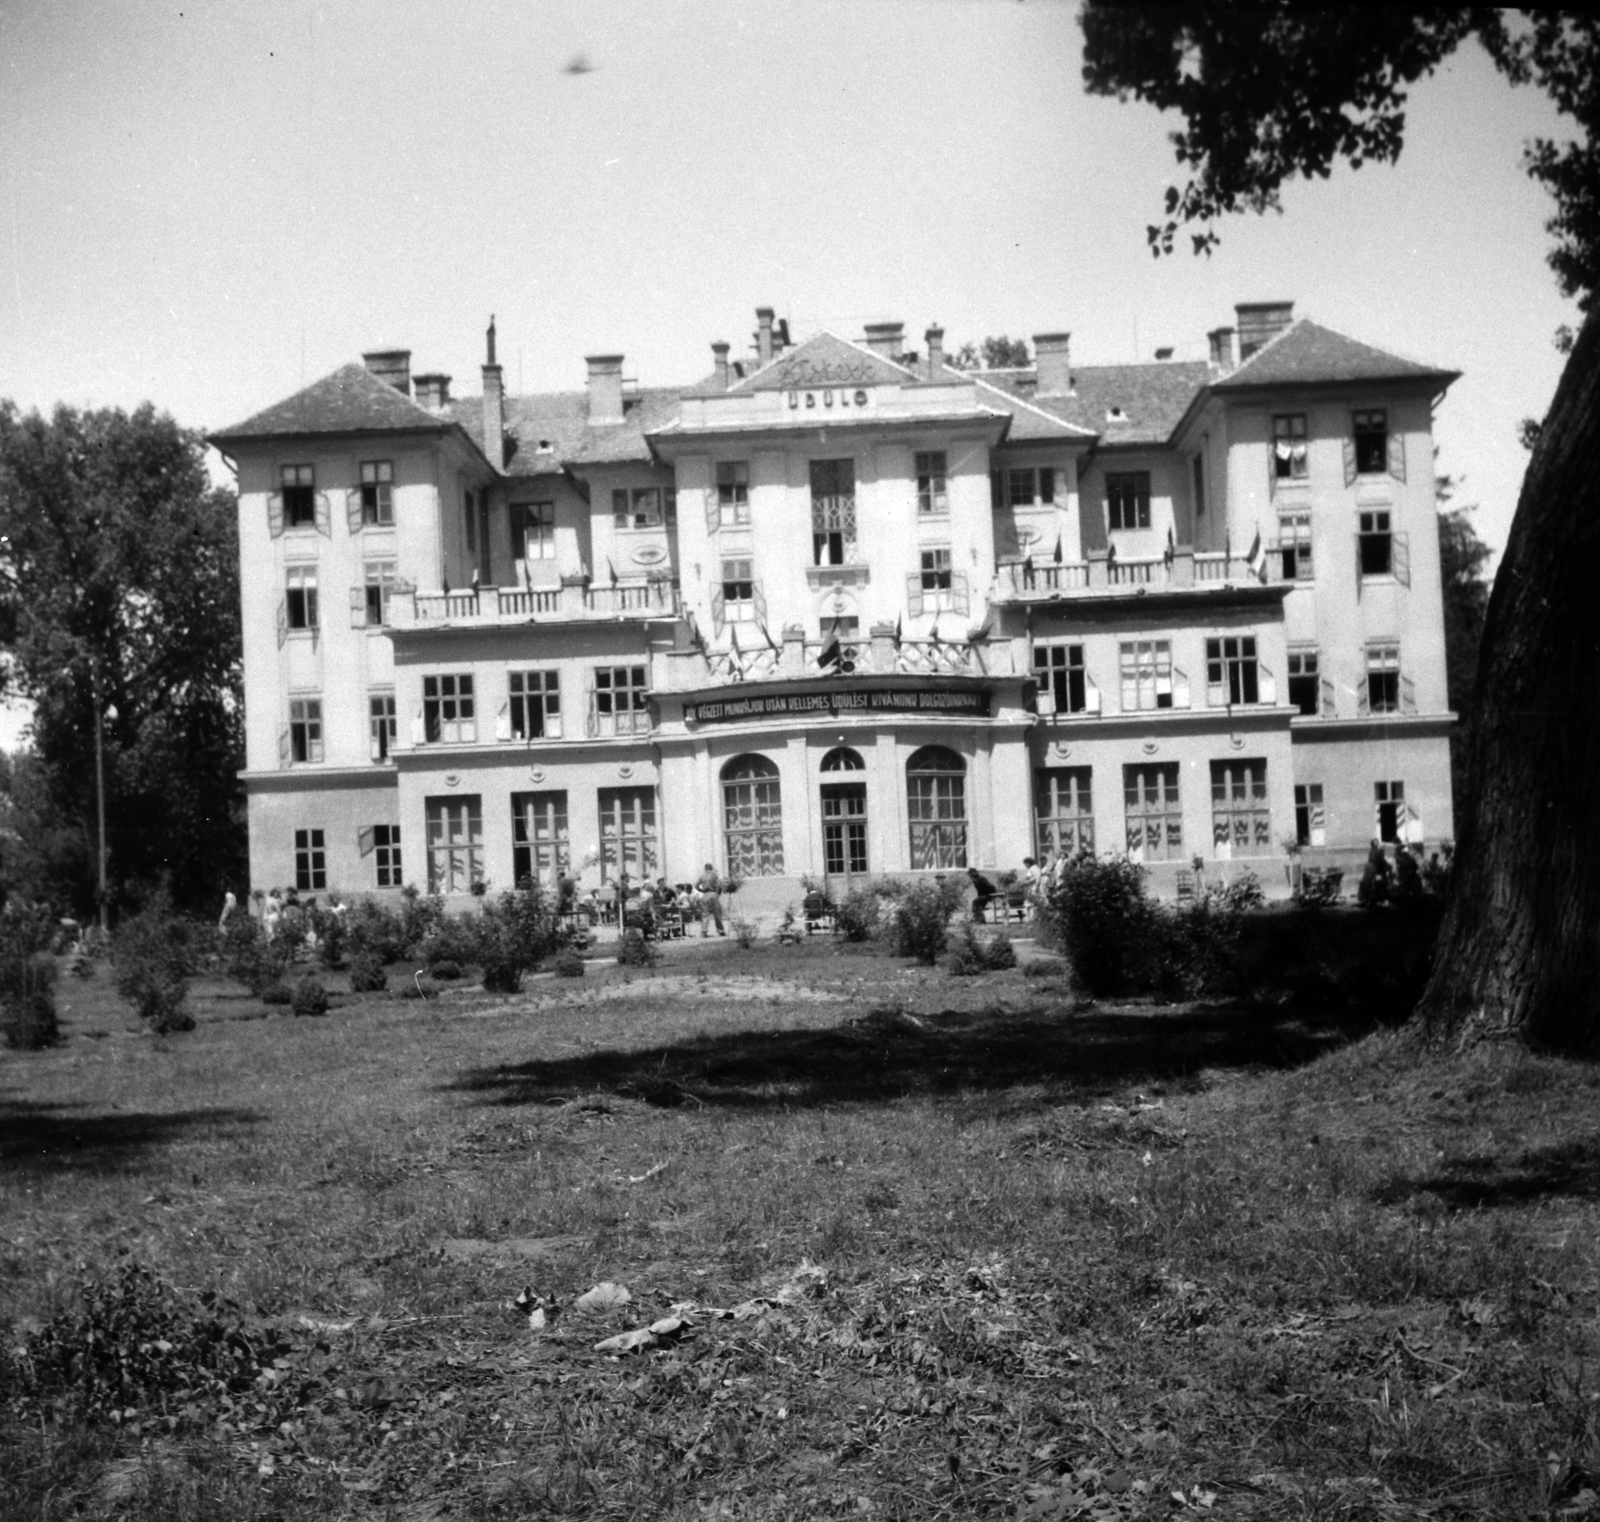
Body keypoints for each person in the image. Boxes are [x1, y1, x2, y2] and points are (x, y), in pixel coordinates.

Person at [696, 863, 726, 937]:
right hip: (713, 894)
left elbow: (696, 886)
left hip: (705, 895)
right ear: (711, 868)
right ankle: (720, 930)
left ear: (705, 869)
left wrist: (701, 890)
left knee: (705, 914)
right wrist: (718, 893)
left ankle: (704, 932)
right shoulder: (714, 875)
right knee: (717, 913)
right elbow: (719, 885)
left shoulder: (702, 876)